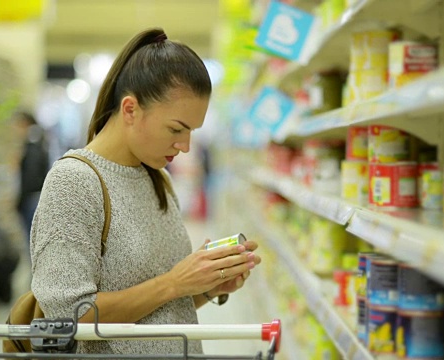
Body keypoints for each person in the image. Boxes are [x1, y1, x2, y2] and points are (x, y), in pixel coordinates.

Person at [30, 28, 261, 356]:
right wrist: (174, 282)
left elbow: (160, 308)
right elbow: (69, 317)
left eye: (192, 131)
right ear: (130, 110)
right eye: (176, 129)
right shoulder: (74, 183)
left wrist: (206, 285)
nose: (185, 145)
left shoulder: (157, 178)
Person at [14, 111, 49, 256]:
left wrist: (20, 200)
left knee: (32, 243)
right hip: (34, 197)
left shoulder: (33, 144)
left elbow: (31, 176)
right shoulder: (39, 140)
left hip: (31, 199)